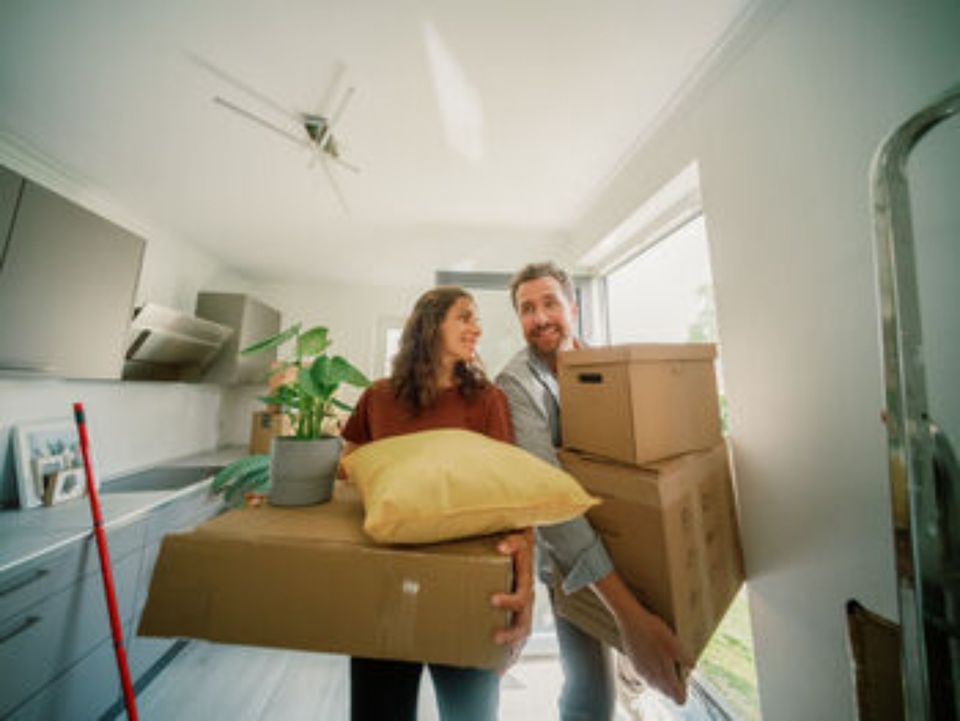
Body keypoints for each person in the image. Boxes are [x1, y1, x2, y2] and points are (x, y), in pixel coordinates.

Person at [496, 262, 692, 719]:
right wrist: (631, 619)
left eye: (549, 303)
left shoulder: (606, 367)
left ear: (573, 307)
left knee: (640, 669)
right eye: (527, 308)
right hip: (573, 562)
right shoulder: (515, 385)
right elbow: (553, 504)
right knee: (592, 694)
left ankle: (633, 675)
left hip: (630, 543)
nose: (540, 317)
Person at [340, 286, 534, 721]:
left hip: (467, 590)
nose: (476, 328)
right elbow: (349, 469)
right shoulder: (378, 397)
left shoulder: (487, 401)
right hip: (383, 591)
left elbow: (513, 500)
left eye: (476, 318)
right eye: (465, 316)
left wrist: (525, 591)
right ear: (430, 325)